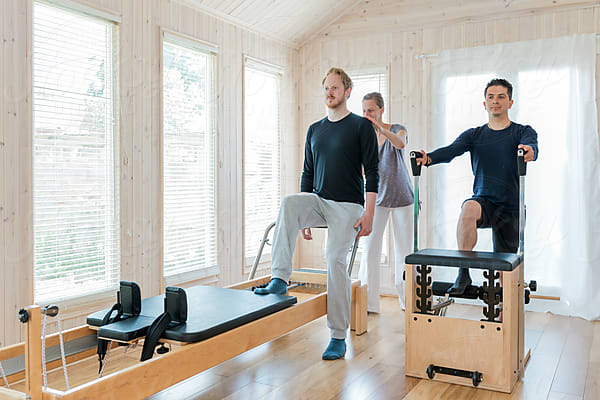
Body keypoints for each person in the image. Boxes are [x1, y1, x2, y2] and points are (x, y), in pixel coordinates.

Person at [254, 67, 379, 360]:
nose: (330, 93)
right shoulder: (315, 129)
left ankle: (337, 336)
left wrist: (370, 213)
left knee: (334, 259)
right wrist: (302, 218)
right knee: (289, 203)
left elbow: (373, 172)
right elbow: (307, 172)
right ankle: (280, 280)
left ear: (348, 91)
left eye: (335, 88)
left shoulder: (361, 127)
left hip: (348, 206)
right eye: (326, 89)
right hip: (319, 201)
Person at [415, 78, 538, 295]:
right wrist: (428, 158)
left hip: (511, 208)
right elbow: (452, 150)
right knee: (469, 208)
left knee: (504, 277)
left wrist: (530, 151)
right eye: (490, 97)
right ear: (484, 103)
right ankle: (463, 273)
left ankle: (503, 317)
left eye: (501, 97)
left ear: (510, 102)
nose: (495, 101)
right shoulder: (475, 135)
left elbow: (532, 146)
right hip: (485, 202)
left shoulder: (522, 131)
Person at [358, 92, 413, 312]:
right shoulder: (364, 136)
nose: (367, 114)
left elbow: (400, 144)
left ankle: (407, 300)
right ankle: (369, 303)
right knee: (370, 248)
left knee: (405, 251)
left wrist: (382, 130)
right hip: (377, 200)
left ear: (381, 110)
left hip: (403, 199)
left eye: (370, 110)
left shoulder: (397, 128)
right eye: (364, 110)